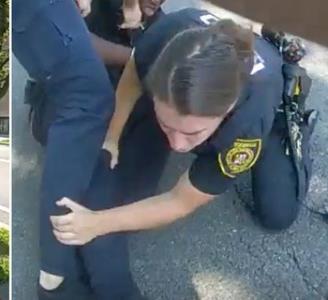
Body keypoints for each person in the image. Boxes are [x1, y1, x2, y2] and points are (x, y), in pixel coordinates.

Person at [50, 8, 317, 252]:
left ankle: (295, 120)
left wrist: (95, 223)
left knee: (277, 214)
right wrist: (112, 137)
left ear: (227, 111)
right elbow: (134, 75)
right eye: (168, 125)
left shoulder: (247, 124)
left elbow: (180, 200)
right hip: (214, 50)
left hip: (272, 99)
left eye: (193, 133)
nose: (177, 145)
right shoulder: (164, 35)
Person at [17, 1, 165, 299]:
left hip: (108, 115)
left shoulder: (158, 19)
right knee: (95, 156)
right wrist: (139, 55)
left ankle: (76, 277)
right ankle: (60, 279)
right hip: (64, 107)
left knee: (112, 187)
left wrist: (138, 32)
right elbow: (71, 46)